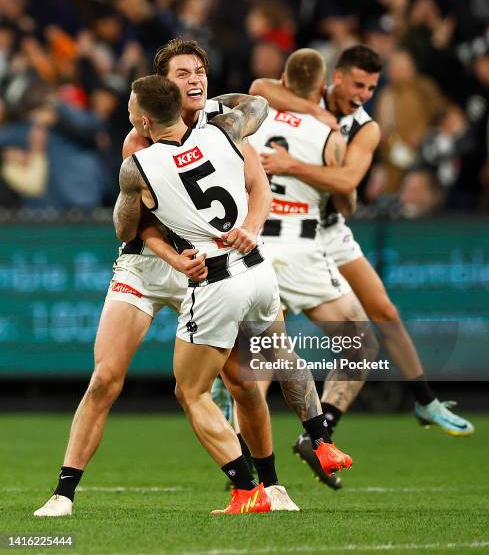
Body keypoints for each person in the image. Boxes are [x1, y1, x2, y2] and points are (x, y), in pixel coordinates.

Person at [33, 39, 293, 517]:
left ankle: (269, 485)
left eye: (199, 72)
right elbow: (131, 228)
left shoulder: (215, 128)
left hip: (208, 269)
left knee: (242, 382)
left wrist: (248, 228)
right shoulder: (142, 144)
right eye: (182, 74)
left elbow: (256, 161)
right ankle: (63, 494)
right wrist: (174, 259)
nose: (193, 80)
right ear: (165, 89)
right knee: (106, 377)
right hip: (151, 264)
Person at [112, 74, 352, 514]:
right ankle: (322, 441)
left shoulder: (137, 165)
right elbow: (256, 104)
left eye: (131, 109)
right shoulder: (225, 129)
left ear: (144, 121)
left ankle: (246, 490)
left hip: (216, 280)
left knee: (191, 392)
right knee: (280, 353)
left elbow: (126, 230)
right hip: (258, 268)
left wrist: (134, 196)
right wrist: (214, 103)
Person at [251, 44, 474, 485]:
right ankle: (261, 448)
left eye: (372, 88)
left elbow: (349, 187)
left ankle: (421, 400)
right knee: (279, 346)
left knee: (381, 313)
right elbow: (259, 86)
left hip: (329, 230)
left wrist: (294, 163)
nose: (363, 95)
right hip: (297, 231)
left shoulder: (366, 129)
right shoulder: (310, 102)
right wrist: (318, 117)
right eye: (357, 85)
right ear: (334, 78)